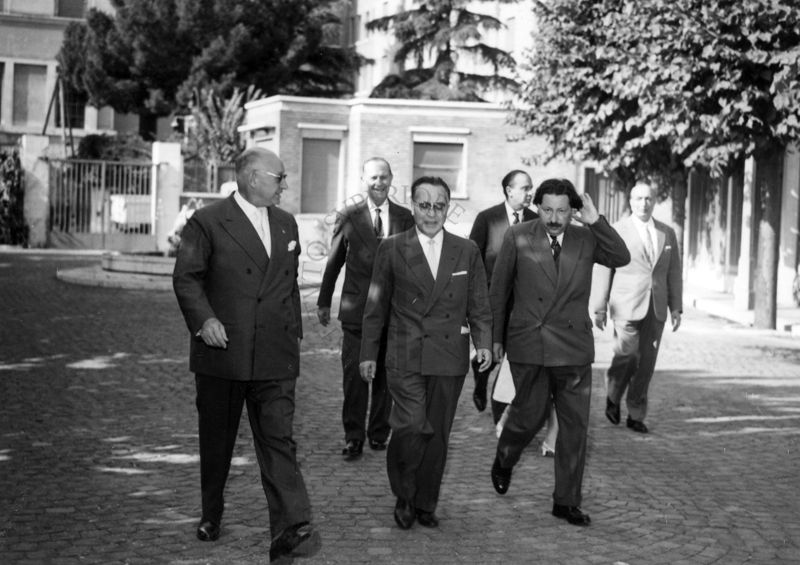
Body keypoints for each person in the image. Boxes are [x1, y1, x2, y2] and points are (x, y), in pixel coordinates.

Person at [173, 147, 320, 562]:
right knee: (217, 440)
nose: (285, 185)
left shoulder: (286, 223)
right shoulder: (207, 221)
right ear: (253, 177)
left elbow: (288, 285)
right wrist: (204, 321)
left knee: (278, 439)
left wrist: (294, 331)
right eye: (280, 177)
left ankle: (290, 526)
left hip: (274, 353)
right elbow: (187, 278)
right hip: (224, 353)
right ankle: (211, 512)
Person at [488, 178, 630, 527]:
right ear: (537, 207)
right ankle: (505, 456)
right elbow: (499, 289)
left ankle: (566, 501)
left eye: (563, 211)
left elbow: (620, 256)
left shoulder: (585, 237)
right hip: (530, 344)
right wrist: (494, 339)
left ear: (572, 211)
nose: (554, 218)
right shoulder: (518, 235)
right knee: (529, 415)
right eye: (548, 210)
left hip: (573, 347)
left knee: (574, 429)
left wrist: (596, 221)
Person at [359, 176, 492, 530]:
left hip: (449, 356)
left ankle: (425, 502)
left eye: (439, 205)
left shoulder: (466, 250)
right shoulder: (392, 247)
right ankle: (404, 494)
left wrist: (484, 343)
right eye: (424, 205)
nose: (431, 213)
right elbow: (376, 305)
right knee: (411, 426)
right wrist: (368, 352)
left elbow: (479, 304)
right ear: (413, 206)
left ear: (447, 208)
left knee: (437, 434)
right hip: (406, 354)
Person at [317, 158, 415, 460]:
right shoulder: (348, 216)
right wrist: (323, 300)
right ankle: (353, 436)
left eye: (384, 177)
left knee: (386, 376)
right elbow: (334, 262)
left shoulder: (404, 217)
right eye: (373, 177)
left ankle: (378, 433)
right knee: (355, 378)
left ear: (391, 179)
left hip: (393, 313)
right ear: (363, 179)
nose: (379, 183)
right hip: (357, 311)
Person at [591, 181, 683, 434]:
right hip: (625, 305)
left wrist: (676, 306)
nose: (644, 203)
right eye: (638, 199)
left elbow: (674, 271)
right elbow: (603, 269)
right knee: (627, 355)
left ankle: (635, 413)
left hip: (656, 308)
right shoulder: (617, 230)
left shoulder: (667, 233)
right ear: (630, 202)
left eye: (648, 199)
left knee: (646, 363)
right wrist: (599, 307)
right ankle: (613, 394)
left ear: (654, 201)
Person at [468, 170, 538, 418]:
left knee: (512, 354)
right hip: (491, 299)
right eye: (526, 188)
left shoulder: (535, 220)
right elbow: (472, 258)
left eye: (531, 187)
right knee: (489, 350)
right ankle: (480, 379)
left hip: (522, 302)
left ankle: (502, 405)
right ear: (509, 190)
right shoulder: (488, 218)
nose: (531, 192)